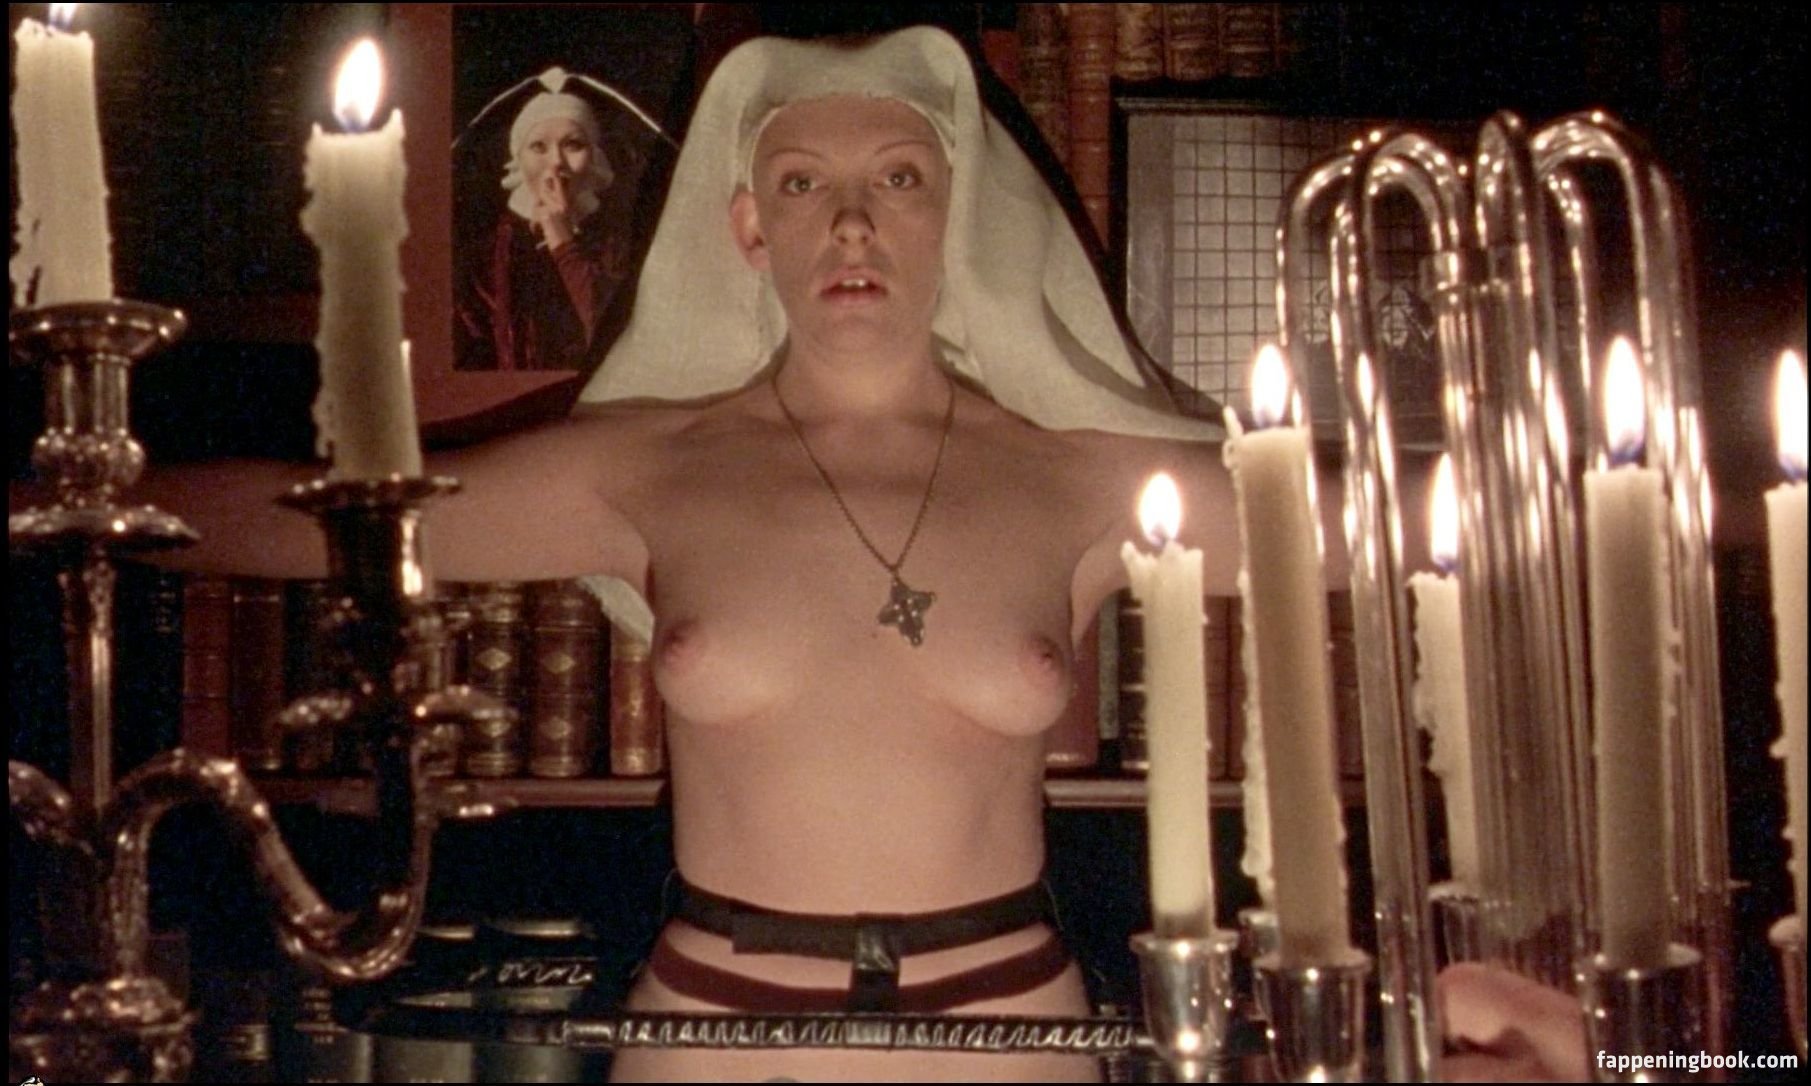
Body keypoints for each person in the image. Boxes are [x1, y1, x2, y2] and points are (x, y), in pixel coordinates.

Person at [99, 26, 1575, 1084]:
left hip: (1014, 1033)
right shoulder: (642, 467)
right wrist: (65, 483)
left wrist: (1611, 476)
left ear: (957, 217)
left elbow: (1401, 525)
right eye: (804, 183)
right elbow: (307, 517)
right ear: (748, 224)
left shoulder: (1076, 476)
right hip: (709, 1035)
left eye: (900, 179)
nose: (853, 221)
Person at [455, 87, 628, 371]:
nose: (557, 161)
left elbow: (616, 343)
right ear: (519, 159)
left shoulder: (618, 245)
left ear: (594, 158)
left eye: (573, 145)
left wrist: (562, 240)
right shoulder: (482, 260)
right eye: (538, 147)